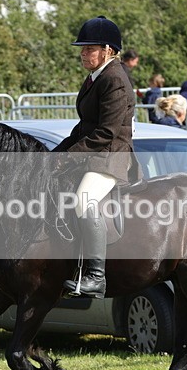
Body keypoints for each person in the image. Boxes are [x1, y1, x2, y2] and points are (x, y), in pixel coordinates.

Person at [53, 16, 137, 299]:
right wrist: (55, 154)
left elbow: (106, 132)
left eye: (89, 48)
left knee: (83, 201)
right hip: (94, 154)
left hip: (110, 156)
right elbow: (84, 127)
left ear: (108, 50)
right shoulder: (95, 77)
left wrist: (69, 157)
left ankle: (96, 277)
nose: (83, 53)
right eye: (82, 48)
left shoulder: (115, 79)